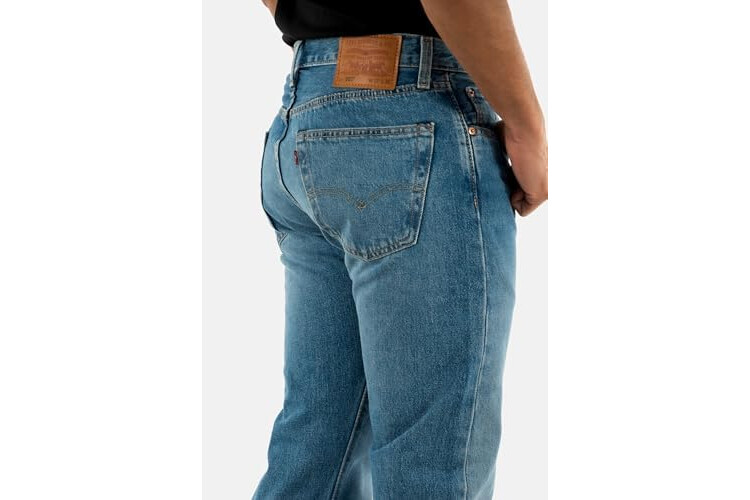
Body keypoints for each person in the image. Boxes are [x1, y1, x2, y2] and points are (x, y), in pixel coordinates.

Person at [253, 0, 547, 498]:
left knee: (317, 451)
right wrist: (526, 129)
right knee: (432, 464)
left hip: (304, 114)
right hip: (413, 114)